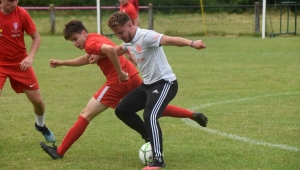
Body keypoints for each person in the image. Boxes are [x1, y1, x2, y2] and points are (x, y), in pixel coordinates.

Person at [39, 20, 207, 160]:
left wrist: (119, 73)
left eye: (76, 38)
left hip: (118, 80)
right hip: (132, 75)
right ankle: (190, 115)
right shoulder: (94, 38)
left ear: (84, 33)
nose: (75, 43)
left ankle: (59, 152)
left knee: (86, 114)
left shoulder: (90, 43)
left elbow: (110, 50)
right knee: (153, 105)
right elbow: (88, 58)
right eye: (72, 41)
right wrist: (63, 63)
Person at [105, 11, 207, 170]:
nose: (119, 36)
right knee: (122, 110)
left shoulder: (146, 36)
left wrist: (192, 43)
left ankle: (158, 161)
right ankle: (149, 136)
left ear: (130, 25)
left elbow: (170, 40)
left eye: (121, 32)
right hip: (148, 85)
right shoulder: (128, 41)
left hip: (165, 83)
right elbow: (118, 49)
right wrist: (98, 57)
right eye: (116, 33)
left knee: (150, 114)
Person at [0, 0, 55, 143]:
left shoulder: (22, 14)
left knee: (38, 101)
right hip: (1, 64)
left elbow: (37, 37)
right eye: (10, 1)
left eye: (16, 0)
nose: (14, 4)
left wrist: (30, 56)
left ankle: (41, 125)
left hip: (21, 63)